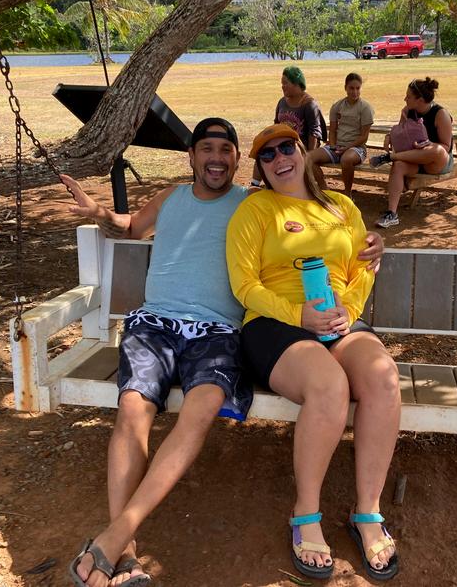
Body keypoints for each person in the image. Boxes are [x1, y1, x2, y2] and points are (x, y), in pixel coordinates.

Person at [64, 118, 384, 587]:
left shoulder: (251, 203)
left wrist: (373, 242)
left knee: (200, 412)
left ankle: (114, 538)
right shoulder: (171, 197)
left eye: (225, 149)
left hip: (217, 333)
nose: (216, 157)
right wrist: (97, 211)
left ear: (236, 160)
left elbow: (310, 229)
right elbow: (131, 227)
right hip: (155, 324)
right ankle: (124, 547)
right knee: (132, 408)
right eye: (206, 148)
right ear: (191, 156)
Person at [226, 124, 401, 581]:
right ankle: (305, 513)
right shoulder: (256, 209)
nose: (279, 158)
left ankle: (368, 512)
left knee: (383, 378)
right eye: (267, 155)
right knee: (329, 385)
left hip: (338, 321)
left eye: (287, 147)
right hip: (273, 324)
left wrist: (348, 312)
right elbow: (244, 285)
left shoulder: (342, 207)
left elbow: (363, 269)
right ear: (261, 168)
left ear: (304, 151)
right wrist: (297, 315)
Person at [370, 77, 453, 229]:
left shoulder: (441, 114)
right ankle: (391, 214)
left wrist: (429, 144)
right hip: (413, 158)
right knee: (398, 166)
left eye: (408, 97)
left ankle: (391, 157)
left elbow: (446, 147)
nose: (405, 99)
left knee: (437, 150)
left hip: (435, 162)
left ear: (419, 100)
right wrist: (390, 136)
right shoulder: (408, 111)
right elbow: (401, 133)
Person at [251, 66, 327, 187]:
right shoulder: (282, 102)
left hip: (300, 145)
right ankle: (254, 185)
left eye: (285, 83)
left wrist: (309, 153)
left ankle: (322, 188)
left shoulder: (309, 104)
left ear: (296, 83)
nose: (282, 86)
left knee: (305, 160)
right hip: (282, 144)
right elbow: (276, 125)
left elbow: (314, 132)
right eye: (282, 84)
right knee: (263, 154)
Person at [309, 72, 375, 195]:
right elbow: (333, 130)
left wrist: (347, 147)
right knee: (308, 157)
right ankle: (324, 189)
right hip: (338, 146)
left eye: (358, 88)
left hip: (357, 148)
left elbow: (364, 137)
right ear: (345, 88)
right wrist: (333, 146)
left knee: (346, 159)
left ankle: (347, 194)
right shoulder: (337, 106)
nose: (355, 92)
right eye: (351, 88)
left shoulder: (365, 108)